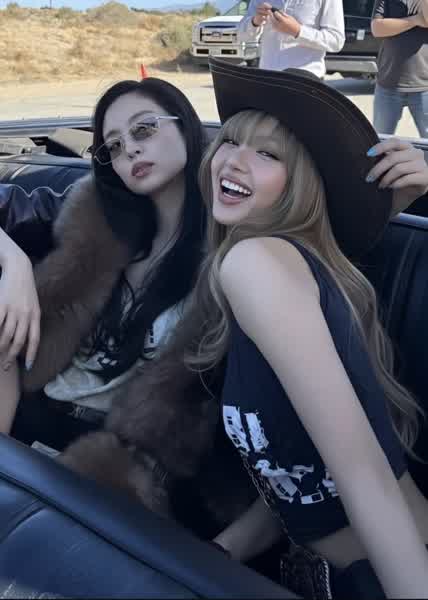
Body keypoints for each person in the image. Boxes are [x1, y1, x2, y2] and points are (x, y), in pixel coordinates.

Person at [176, 58, 428, 597]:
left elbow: (364, 475)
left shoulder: (256, 263)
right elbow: (300, 481)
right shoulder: (284, 267)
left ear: (302, 184)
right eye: (230, 140)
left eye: (268, 154)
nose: (233, 160)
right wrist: (220, 552)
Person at [0, 77, 207, 447]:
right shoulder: (93, 215)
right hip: (29, 417)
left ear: (185, 125)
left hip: (108, 455)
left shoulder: (224, 249)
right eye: (114, 145)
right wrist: (14, 263)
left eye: (144, 129)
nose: (130, 149)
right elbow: (11, 209)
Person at [237, 0, 345, 77]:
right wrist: (255, 21)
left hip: (306, 82)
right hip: (268, 79)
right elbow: (242, 36)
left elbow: (336, 40)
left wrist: (298, 31)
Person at [371, 0, 428, 138]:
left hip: (425, 86)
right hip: (388, 83)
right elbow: (377, 29)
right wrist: (414, 20)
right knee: (379, 141)